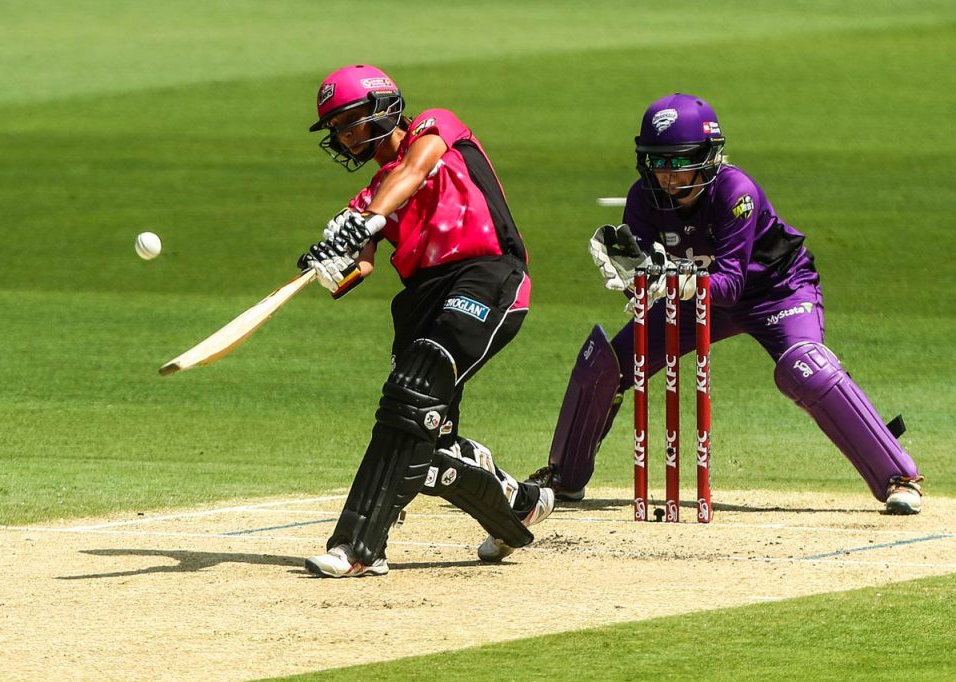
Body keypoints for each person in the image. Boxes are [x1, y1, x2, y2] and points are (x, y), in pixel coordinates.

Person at [528, 93, 923, 515]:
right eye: (657, 163)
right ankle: (564, 478)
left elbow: (731, 285)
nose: (667, 177)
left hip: (777, 292)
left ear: (708, 156)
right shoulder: (642, 198)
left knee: (806, 368)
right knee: (608, 364)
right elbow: (643, 278)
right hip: (694, 297)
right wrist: (633, 279)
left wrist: (669, 283)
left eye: (679, 163)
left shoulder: (736, 191)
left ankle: (898, 476)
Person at [298, 64, 554, 578]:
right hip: (421, 299)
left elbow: (413, 172)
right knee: (424, 445)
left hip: (486, 276)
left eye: (351, 122)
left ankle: (358, 548)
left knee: (410, 396)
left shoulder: (434, 127)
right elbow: (362, 265)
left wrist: (365, 218)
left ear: (383, 107)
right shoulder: (368, 197)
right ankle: (518, 504)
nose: (346, 137)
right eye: (338, 130)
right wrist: (329, 268)